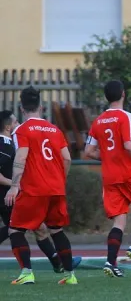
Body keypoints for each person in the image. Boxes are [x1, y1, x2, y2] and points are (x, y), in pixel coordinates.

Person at [84, 80, 131, 278]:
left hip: (110, 176)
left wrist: (108, 157)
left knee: (119, 221)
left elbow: (88, 151)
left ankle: (110, 262)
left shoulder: (98, 121)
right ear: (123, 94)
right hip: (130, 173)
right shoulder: (125, 117)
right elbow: (129, 145)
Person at [4, 86, 77, 285]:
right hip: (56, 189)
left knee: (15, 230)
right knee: (56, 230)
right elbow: (67, 159)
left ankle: (27, 272)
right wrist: (60, 180)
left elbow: (21, 156)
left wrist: (14, 186)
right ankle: (70, 276)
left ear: (22, 108)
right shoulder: (55, 130)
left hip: (34, 189)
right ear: (41, 107)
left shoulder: (22, 130)